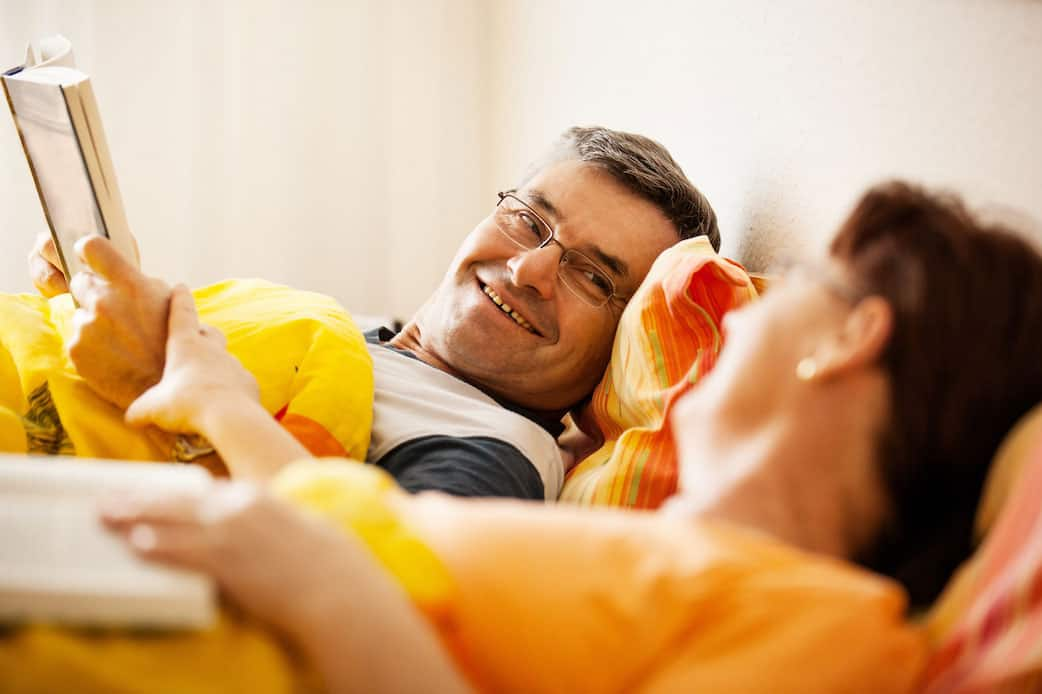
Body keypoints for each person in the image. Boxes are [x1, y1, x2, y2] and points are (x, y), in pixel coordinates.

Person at [6, 181, 1036, 692]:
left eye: (792, 288)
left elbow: (346, 576)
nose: (724, 328)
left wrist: (323, 581)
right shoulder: (665, 554)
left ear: (851, 336)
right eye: (529, 221)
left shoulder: (838, 624)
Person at [28, 126, 720, 500]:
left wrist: (187, 384)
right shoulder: (351, 331)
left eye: (594, 276)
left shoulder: (499, 449)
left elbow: (371, 583)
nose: (531, 269)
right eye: (528, 220)